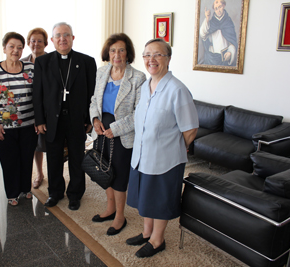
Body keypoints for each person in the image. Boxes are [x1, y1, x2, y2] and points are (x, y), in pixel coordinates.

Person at [125, 38, 199, 258]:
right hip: (141, 155)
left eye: (157, 54)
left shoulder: (177, 90)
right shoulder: (146, 87)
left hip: (165, 159)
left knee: (159, 200)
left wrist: (173, 147)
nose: (151, 59)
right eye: (147, 55)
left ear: (168, 58)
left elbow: (191, 130)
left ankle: (158, 240)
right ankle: (147, 232)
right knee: (145, 197)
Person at [33, 22, 97, 211]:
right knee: (53, 158)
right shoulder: (42, 62)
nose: (62, 39)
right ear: (52, 40)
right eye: (58, 35)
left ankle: (75, 194)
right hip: (52, 119)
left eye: (66, 35)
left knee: (77, 157)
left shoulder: (86, 61)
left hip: (77, 119)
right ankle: (55, 192)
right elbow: (37, 93)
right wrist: (40, 120)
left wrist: (89, 118)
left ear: (72, 38)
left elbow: (91, 94)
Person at [89, 33, 146, 236]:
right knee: (104, 171)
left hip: (122, 134)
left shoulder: (138, 77)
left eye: (121, 50)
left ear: (128, 53)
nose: (117, 54)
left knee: (119, 176)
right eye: (113, 50)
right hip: (101, 130)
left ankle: (120, 216)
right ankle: (110, 208)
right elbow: (95, 99)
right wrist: (95, 120)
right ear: (108, 53)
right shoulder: (102, 71)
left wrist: (117, 128)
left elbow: (138, 113)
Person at [0, 32, 38, 206]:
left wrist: (39, 119)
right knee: (9, 160)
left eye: (20, 47)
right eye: (12, 46)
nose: (16, 50)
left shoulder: (30, 68)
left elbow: (38, 96)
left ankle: (25, 188)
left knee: (26, 157)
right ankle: (12, 193)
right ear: (4, 48)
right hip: (4, 126)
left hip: (29, 124)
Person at [20, 28, 49, 189]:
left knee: (49, 143)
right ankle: (39, 174)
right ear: (28, 43)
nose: (35, 43)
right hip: (28, 109)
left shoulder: (52, 60)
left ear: (45, 43)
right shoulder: (22, 62)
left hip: (47, 110)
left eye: (39, 41)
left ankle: (54, 175)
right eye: (32, 40)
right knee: (35, 144)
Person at [199, 0, 238, 66]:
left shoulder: (228, 23)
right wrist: (207, 19)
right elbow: (202, 34)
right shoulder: (211, 23)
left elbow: (232, 42)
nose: (218, 10)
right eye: (216, 8)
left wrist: (230, 52)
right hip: (211, 59)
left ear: (223, 6)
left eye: (220, 7)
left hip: (224, 60)